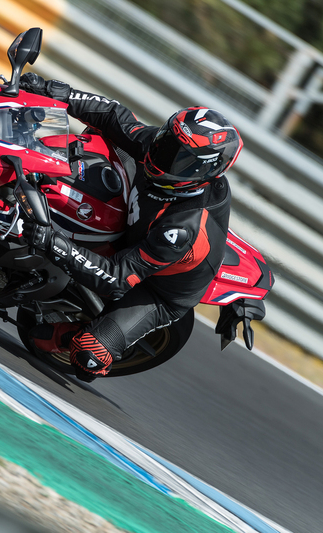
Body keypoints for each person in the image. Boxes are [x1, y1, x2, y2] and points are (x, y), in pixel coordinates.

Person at [18, 73, 242, 382]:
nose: (162, 155)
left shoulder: (182, 228)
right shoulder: (164, 150)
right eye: (167, 141)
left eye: (179, 159)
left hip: (155, 289)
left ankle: (75, 336)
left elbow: (116, 278)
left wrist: (54, 243)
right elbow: (114, 115)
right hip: (139, 222)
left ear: (202, 172)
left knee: (88, 354)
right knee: (100, 134)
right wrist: (56, 91)